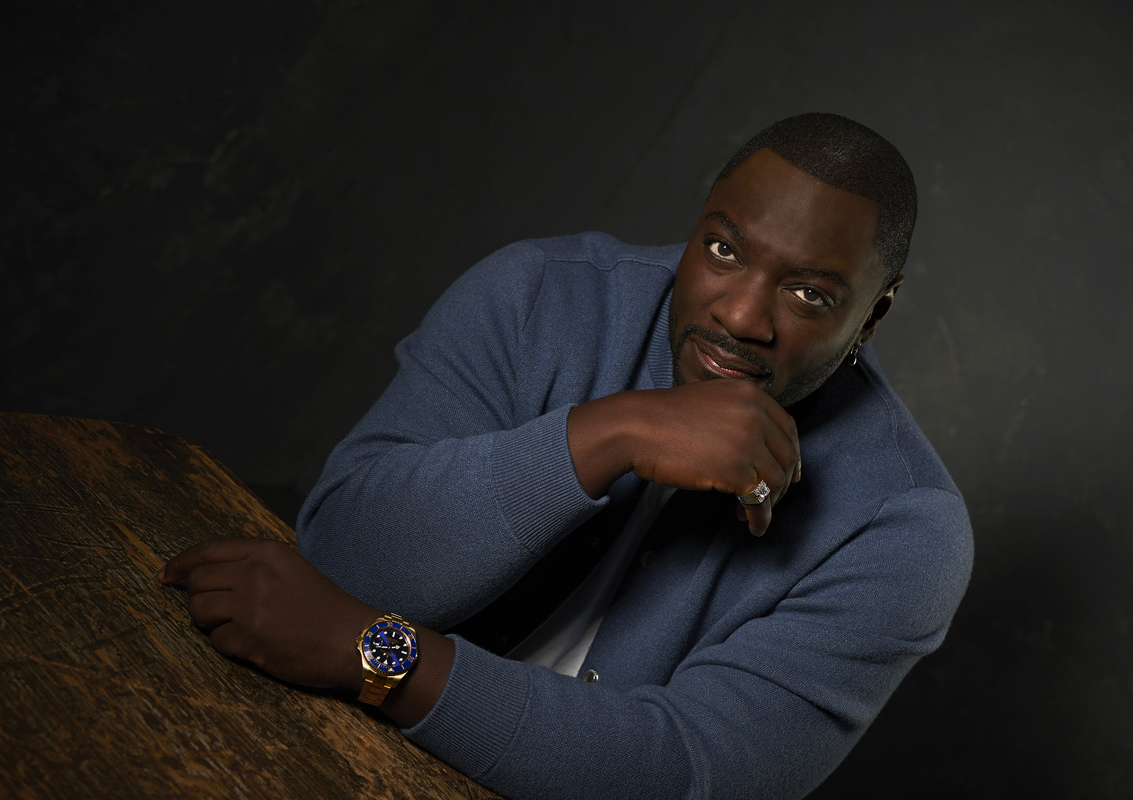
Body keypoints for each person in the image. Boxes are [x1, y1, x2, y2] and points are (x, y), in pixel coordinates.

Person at [159, 112, 973, 799]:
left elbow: (687, 774)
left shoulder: (904, 530)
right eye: (724, 250)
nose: (740, 316)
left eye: (809, 294)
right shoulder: (538, 295)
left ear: (873, 316)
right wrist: (606, 434)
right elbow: (345, 557)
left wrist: (369, 652)